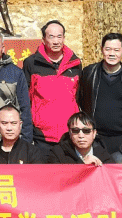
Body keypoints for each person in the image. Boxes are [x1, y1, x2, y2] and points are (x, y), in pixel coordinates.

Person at [78, 32, 122, 156]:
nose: (112, 54)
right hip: (95, 138)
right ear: (101, 50)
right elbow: (81, 100)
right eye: (108, 49)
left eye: (116, 50)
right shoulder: (89, 73)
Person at [23, 20, 82, 153]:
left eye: (59, 36)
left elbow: (78, 97)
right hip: (41, 136)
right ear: (43, 39)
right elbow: (26, 100)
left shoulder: (75, 63)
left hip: (69, 135)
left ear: (64, 38)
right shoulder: (31, 63)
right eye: (51, 37)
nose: (56, 41)